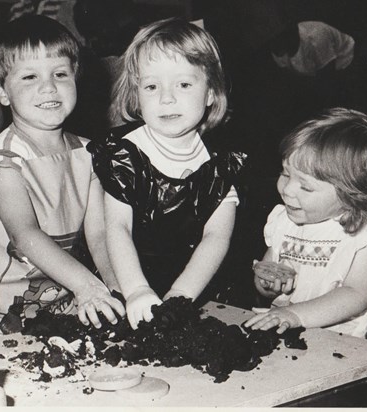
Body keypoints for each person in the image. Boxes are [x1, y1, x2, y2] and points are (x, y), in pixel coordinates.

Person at [0, 15, 125, 342]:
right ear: (2, 93)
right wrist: (87, 286)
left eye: (61, 74)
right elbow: (25, 235)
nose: (49, 87)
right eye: (30, 76)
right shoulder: (4, 161)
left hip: (61, 297)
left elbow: (99, 234)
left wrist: (117, 288)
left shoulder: (90, 153)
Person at [87, 18, 248, 330]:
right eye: (151, 86)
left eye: (184, 84)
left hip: (192, 289)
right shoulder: (124, 155)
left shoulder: (219, 166)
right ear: (136, 96)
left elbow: (216, 238)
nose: (166, 98)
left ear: (211, 92)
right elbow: (116, 229)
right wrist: (136, 290)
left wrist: (179, 298)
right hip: (125, 284)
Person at [244, 108, 367, 338]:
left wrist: (295, 315)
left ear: (352, 194)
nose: (287, 190)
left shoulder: (366, 233)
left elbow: (358, 294)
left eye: (306, 186)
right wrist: (267, 285)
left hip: (340, 342)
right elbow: (269, 268)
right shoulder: (283, 220)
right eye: (285, 173)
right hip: (282, 328)